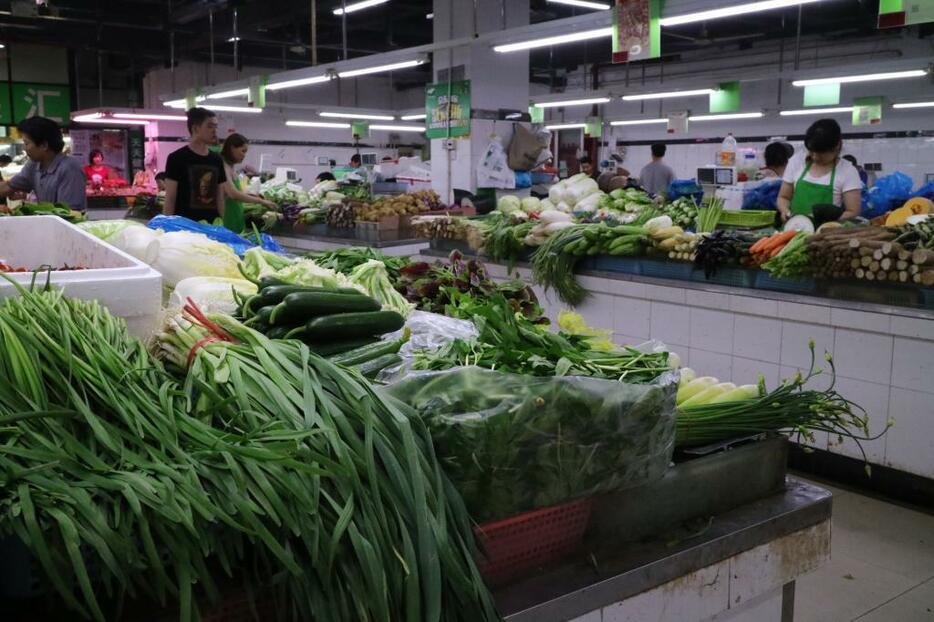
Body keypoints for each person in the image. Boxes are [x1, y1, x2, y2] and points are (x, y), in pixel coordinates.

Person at [778, 119, 862, 221]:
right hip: (792, 230)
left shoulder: (848, 171)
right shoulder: (797, 161)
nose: (815, 157)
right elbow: (783, 197)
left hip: (825, 233)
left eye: (821, 153)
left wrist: (826, 219)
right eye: (811, 151)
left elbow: (853, 211)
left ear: (837, 146)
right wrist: (785, 211)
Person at [0, 116, 86, 211]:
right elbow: (7, 187)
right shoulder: (33, 165)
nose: (24, 148)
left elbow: (69, 214)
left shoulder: (69, 169)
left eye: (26, 143)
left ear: (44, 145)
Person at [164, 107, 226, 221]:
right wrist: (167, 226)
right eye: (210, 126)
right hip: (184, 227)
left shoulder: (217, 160)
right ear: (196, 128)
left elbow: (220, 197)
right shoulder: (176, 158)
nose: (214, 131)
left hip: (211, 226)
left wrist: (222, 223)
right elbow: (170, 198)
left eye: (215, 127)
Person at [219, 133, 277, 232]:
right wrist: (261, 201)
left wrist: (254, 196)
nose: (244, 155)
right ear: (232, 148)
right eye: (243, 151)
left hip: (236, 216)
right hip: (227, 218)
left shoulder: (231, 166)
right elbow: (233, 194)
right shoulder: (223, 166)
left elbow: (236, 192)